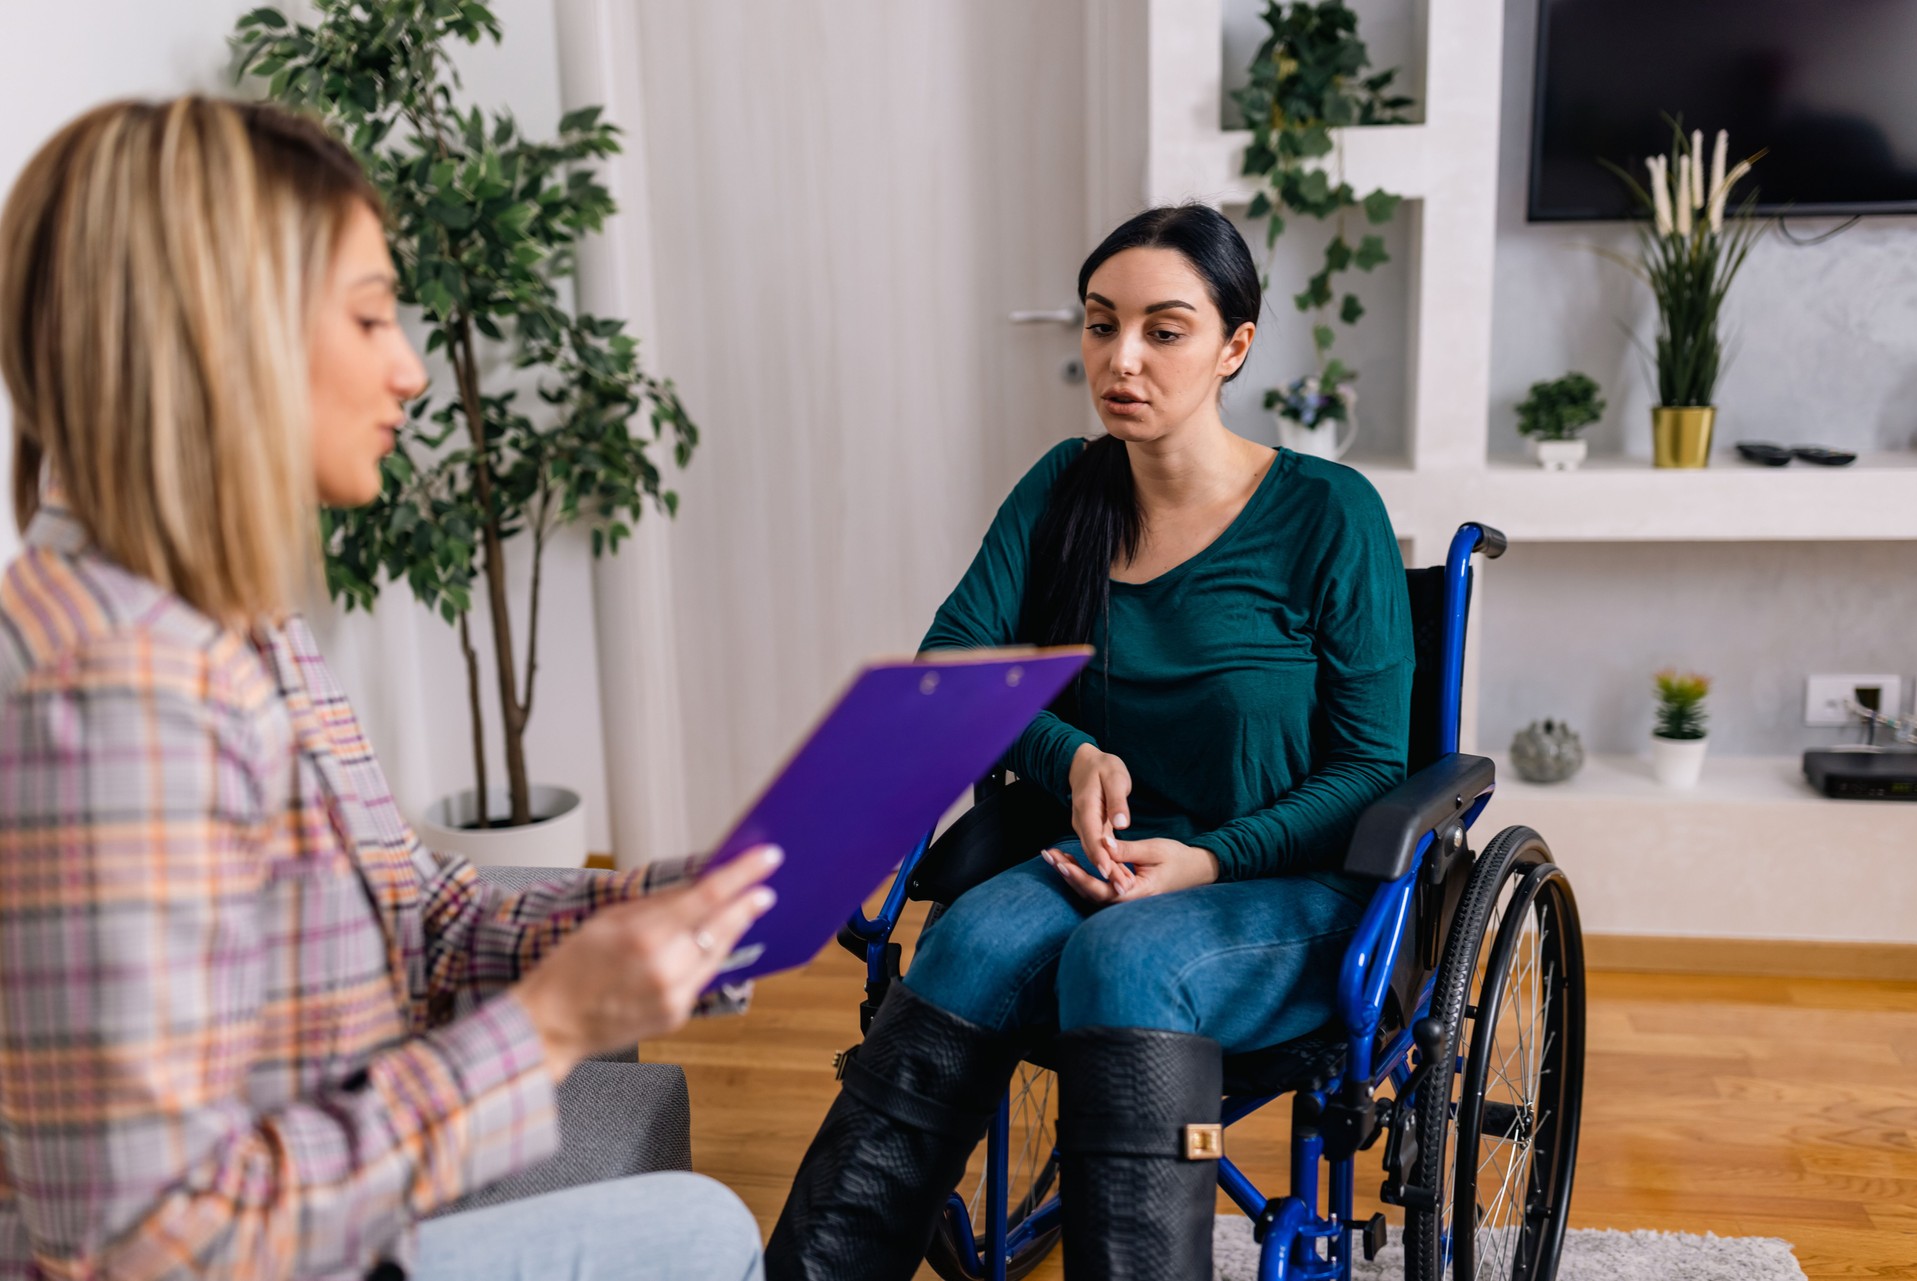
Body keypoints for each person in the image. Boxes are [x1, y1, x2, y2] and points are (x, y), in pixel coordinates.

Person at [0, 96, 775, 1281]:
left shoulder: (233, 621)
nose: (411, 371)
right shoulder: (113, 695)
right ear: (220, 334)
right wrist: (549, 1028)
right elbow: (145, 1247)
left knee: (704, 1228)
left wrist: (684, 901)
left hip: (339, 1239)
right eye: (369, 317)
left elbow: (423, 917)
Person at [767, 205, 1414, 1281]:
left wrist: (1210, 860)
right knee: (967, 939)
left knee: (1129, 954)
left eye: (1165, 331)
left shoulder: (1327, 516)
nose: (1123, 359)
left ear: (1234, 347)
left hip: (1287, 884)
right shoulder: (1066, 489)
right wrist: (1069, 755)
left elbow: (1370, 773)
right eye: (1100, 325)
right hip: (1100, 858)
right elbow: (954, 668)